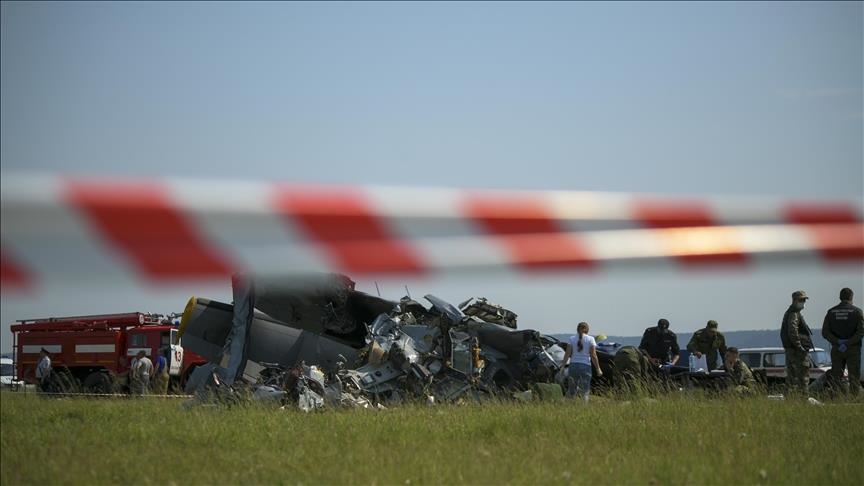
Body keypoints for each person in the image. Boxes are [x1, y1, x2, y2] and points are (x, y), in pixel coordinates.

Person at [821, 288, 864, 396]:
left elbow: (825, 332)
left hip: (837, 349)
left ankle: (837, 397)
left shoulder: (831, 312)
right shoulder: (857, 312)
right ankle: (854, 399)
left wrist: (838, 341)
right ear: (851, 297)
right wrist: (849, 342)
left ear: (840, 297)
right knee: (854, 376)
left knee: (837, 375)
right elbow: (861, 331)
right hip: (853, 349)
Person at [780, 290, 814, 397]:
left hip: (792, 350)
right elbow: (793, 331)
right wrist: (799, 346)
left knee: (791, 377)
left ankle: (790, 399)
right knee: (803, 377)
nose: (803, 302)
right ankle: (804, 399)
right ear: (794, 300)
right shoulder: (794, 313)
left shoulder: (792, 312)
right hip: (797, 352)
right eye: (801, 300)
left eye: (804, 300)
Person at [561, 322, 603, 402]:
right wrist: (598, 368)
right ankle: (584, 408)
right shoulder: (591, 339)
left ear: (577, 329)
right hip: (585, 366)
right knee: (585, 391)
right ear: (587, 330)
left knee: (571, 390)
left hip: (573, 366)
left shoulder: (571, 339)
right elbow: (593, 355)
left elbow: (567, 354)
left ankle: (568, 407)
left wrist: (563, 366)